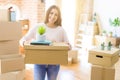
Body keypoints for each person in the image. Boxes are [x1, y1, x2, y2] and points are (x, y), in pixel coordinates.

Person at [19, 5, 71, 80]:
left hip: (54, 64)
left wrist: (67, 46)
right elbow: (22, 39)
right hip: (39, 63)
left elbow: (69, 46)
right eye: (51, 13)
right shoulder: (38, 26)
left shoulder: (61, 30)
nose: (53, 16)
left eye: (56, 14)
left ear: (58, 17)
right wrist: (24, 43)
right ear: (47, 14)